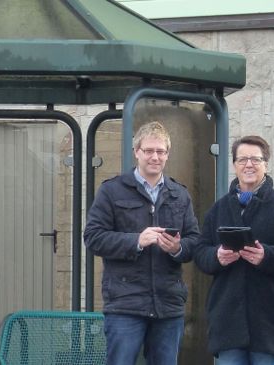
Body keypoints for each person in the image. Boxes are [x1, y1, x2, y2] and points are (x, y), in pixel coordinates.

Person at [83, 121, 200, 365]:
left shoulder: (180, 194)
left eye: (160, 151)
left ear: (167, 154)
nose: (155, 157)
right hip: (125, 304)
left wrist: (177, 248)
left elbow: (194, 242)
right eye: (148, 151)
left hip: (168, 305)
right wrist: (136, 240)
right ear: (136, 152)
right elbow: (93, 237)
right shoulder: (112, 191)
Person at [193, 135, 274, 365]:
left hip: (270, 320)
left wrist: (266, 256)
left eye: (255, 159)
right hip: (227, 321)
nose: (248, 165)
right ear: (234, 165)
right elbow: (200, 252)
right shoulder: (218, 208)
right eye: (242, 160)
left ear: (266, 164)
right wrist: (217, 256)